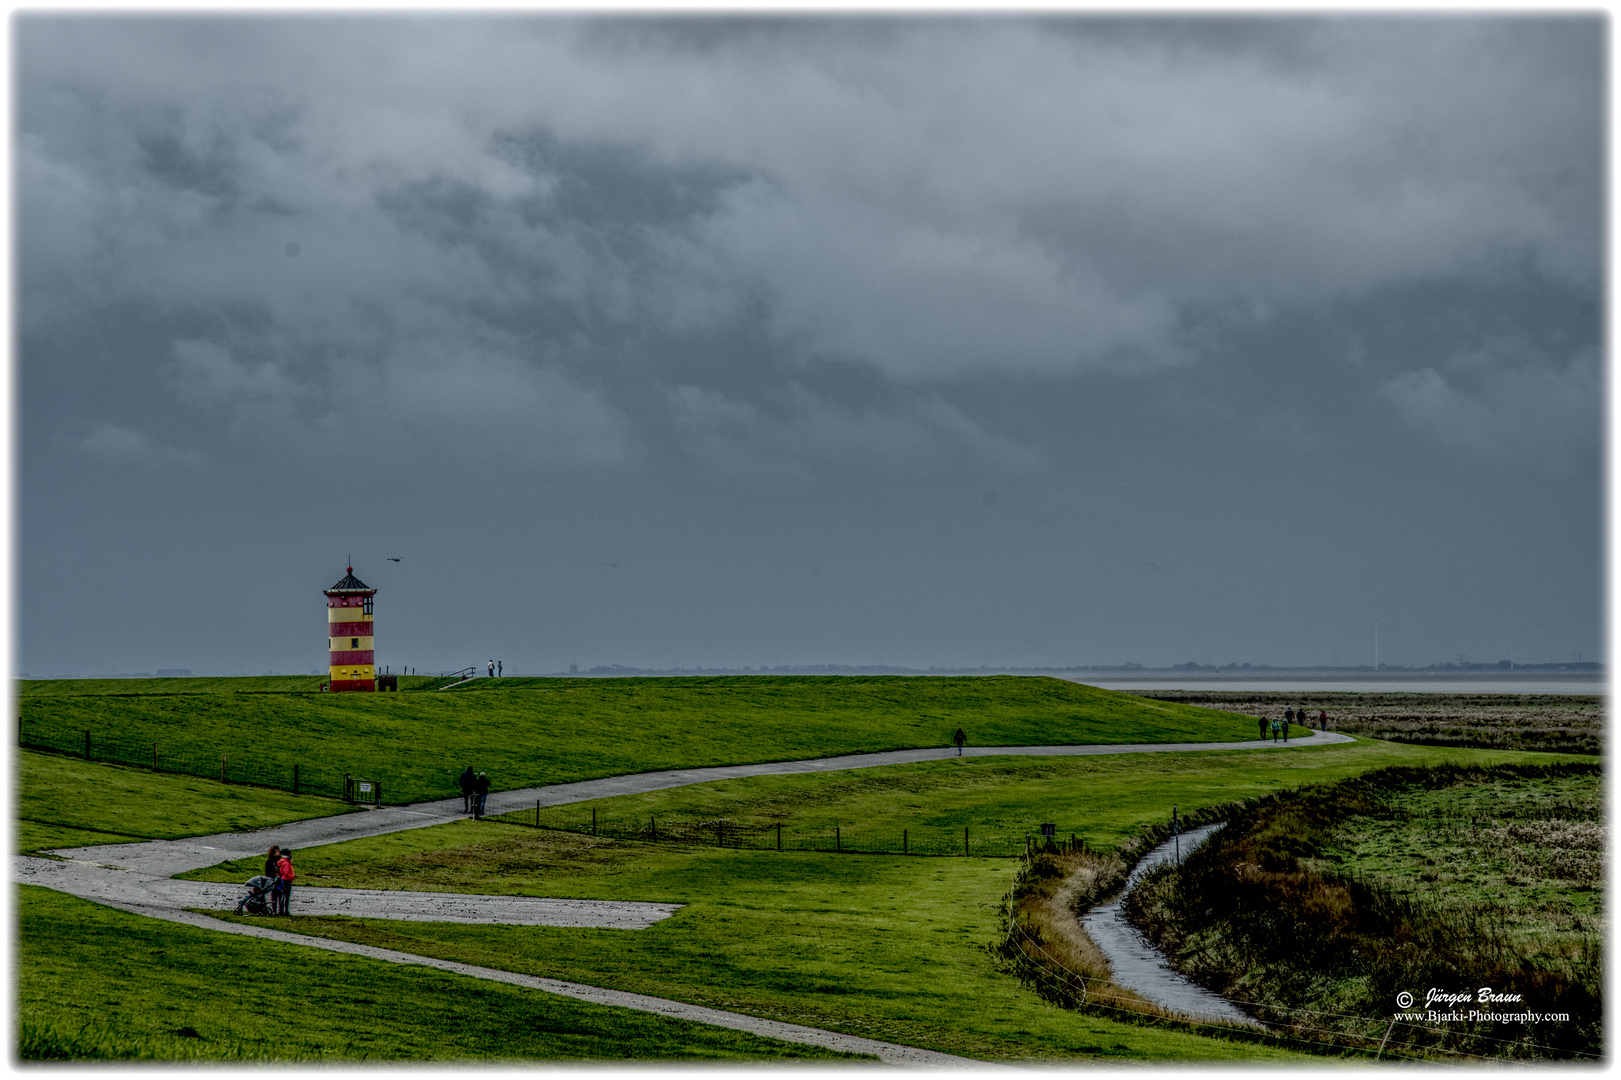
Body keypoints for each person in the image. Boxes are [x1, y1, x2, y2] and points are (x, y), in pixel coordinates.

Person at [275, 849, 296, 915]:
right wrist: (292, 877)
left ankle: (280, 910)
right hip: (286, 881)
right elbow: (286, 873)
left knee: (281, 896)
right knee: (286, 897)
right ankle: (286, 911)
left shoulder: (280, 862)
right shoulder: (286, 863)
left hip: (281, 880)